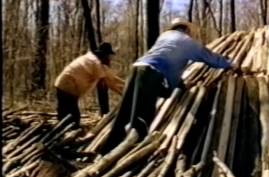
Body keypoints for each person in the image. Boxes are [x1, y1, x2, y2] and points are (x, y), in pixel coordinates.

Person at [103, 18, 237, 152]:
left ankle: (108, 148)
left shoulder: (164, 36)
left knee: (125, 111)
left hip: (137, 68)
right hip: (151, 74)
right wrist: (230, 64)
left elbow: (170, 62)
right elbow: (209, 57)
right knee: (144, 115)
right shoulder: (186, 41)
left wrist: (180, 86)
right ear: (187, 29)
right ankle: (133, 149)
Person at [54, 42, 124, 128]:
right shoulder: (95, 63)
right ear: (104, 55)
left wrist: (124, 86)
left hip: (64, 84)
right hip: (67, 86)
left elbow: (112, 78)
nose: (109, 59)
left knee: (67, 112)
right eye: (108, 56)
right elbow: (109, 81)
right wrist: (124, 93)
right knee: (72, 115)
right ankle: (66, 132)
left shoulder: (91, 59)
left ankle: (64, 129)